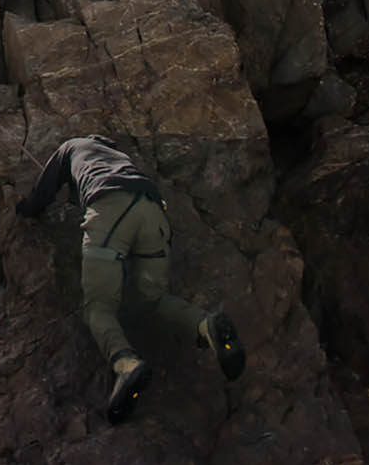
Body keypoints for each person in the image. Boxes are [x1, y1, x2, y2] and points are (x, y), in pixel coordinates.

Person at [17, 133, 244, 421]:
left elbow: (43, 191)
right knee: (153, 298)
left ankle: (126, 363)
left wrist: (25, 210)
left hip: (109, 208)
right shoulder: (120, 157)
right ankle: (205, 325)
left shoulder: (72, 146)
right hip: (151, 209)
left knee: (99, 308)